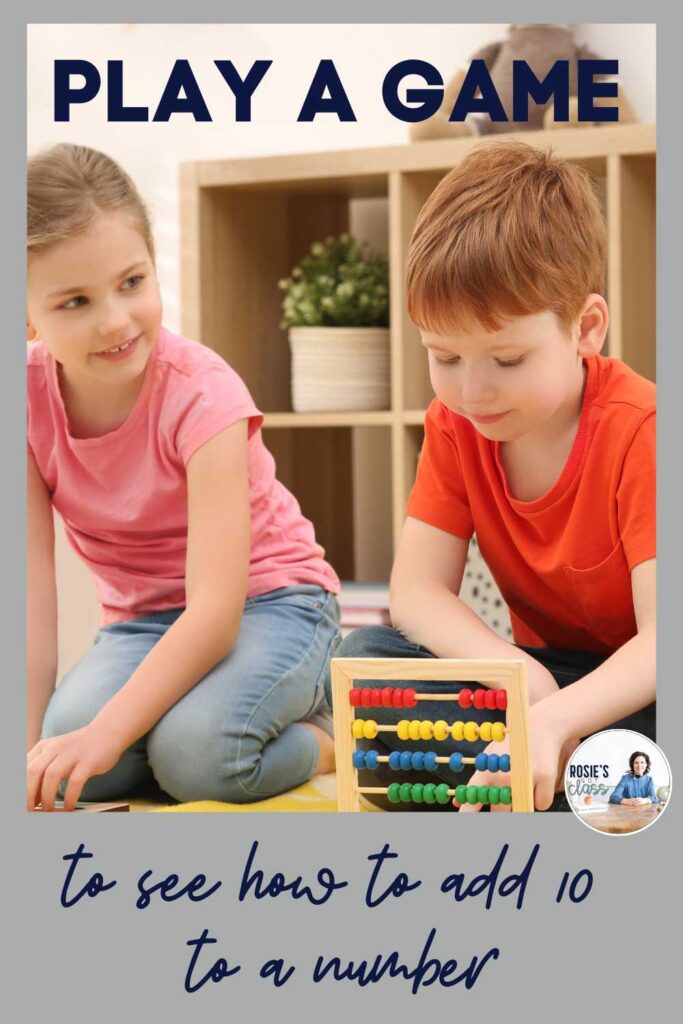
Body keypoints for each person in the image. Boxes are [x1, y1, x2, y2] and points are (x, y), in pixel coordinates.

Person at [328, 142, 655, 812]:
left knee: (634, 753)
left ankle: (559, 776)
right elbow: (416, 594)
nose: (472, 391)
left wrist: (558, 721)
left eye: (506, 359)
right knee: (368, 657)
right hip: (539, 675)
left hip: (639, 687)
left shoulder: (642, 429)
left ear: (585, 327)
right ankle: (555, 783)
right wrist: (523, 685)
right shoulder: (454, 424)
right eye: (444, 356)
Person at [27, 144, 341, 811]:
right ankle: (161, 730)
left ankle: (328, 730)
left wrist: (113, 731)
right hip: (143, 622)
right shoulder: (23, 401)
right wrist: (23, 760)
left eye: (131, 282)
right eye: (75, 301)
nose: (115, 320)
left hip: (271, 604)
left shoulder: (203, 396)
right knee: (64, 762)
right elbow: (29, 603)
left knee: (199, 760)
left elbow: (217, 611)